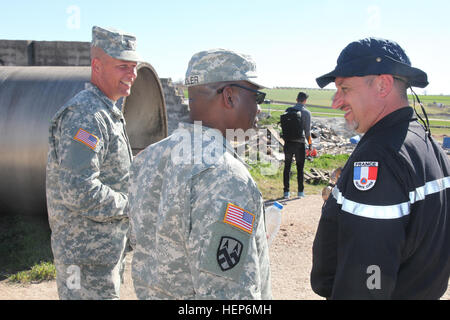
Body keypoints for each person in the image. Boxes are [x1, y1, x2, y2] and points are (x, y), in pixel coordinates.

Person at [311, 37, 450, 299]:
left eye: (344, 89)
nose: (335, 102)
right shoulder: (426, 143)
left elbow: (366, 280)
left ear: (383, 84)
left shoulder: (379, 157)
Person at [128, 49, 272, 299]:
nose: (258, 108)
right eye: (257, 96)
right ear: (229, 96)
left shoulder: (150, 157)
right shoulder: (227, 176)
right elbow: (228, 296)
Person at [46, 25, 141, 299]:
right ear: (97, 66)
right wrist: (131, 204)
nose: (132, 74)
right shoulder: (87, 115)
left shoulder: (106, 110)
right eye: (123, 66)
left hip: (101, 253)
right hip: (86, 259)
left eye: (134, 66)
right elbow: (79, 190)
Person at [281, 92, 312, 199]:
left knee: (287, 167)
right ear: (305, 100)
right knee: (300, 168)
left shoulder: (288, 110)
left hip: (288, 142)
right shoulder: (306, 113)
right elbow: (307, 132)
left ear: (296, 99)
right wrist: (310, 144)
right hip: (300, 143)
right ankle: (300, 192)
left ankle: (286, 192)